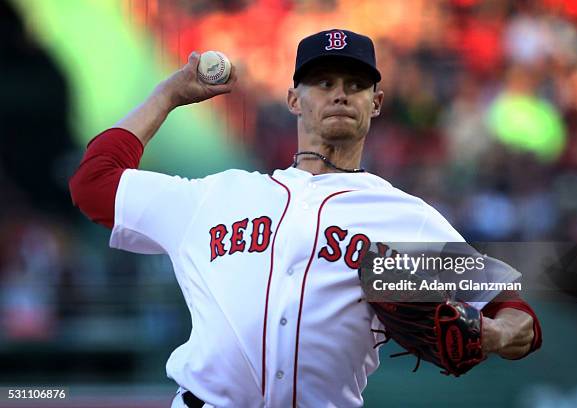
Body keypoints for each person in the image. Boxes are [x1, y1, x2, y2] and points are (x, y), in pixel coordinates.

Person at [69, 29, 542, 408]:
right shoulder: (217, 195)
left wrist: (494, 333)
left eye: (356, 85)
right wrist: (168, 94)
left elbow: (519, 316)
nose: (340, 94)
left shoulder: (405, 219)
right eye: (324, 83)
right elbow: (93, 184)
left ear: (375, 104)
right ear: (295, 99)